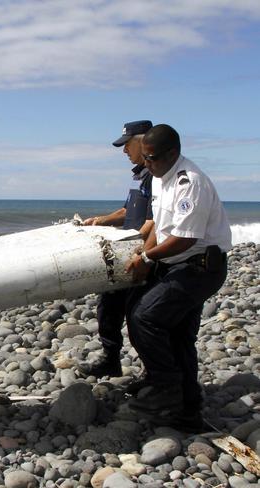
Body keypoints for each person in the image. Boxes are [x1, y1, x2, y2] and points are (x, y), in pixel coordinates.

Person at [125, 124, 231, 429]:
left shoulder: (190, 183)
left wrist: (145, 257)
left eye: (152, 158)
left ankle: (166, 388)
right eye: (144, 158)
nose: (146, 164)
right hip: (177, 264)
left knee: (146, 317)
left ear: (173, 154)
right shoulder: (160, 177)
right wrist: (146, 258)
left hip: (200, 268)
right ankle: (187, 410)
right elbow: (159, 225)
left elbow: (184, 238)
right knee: (177, 334)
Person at [79, 120, 154, 378]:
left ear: (144, 142)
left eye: (127, 145)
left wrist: (139, 253)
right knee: (108, 306)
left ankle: (152, 373)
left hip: (143, 256)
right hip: (127, 251)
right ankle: (111, 358)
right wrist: (100, 220)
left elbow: (154, 222)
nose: (124, 151)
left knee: (139, 316)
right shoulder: (139, 175)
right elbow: (127, 212)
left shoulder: (157, 176)